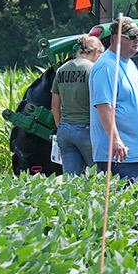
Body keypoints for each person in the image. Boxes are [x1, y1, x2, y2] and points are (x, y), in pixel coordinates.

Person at [91, 18, 138, 182]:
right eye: (132, 37)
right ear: (115, 38)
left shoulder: (130, 64)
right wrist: (115, 141)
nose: (137, 41)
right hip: (121, 156)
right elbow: (104, 107)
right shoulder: (106, 67)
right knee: (128, 204)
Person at [51, 34, 103, 177]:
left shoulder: (61, 70)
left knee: (72, 182)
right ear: (95, 51)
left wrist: (60, 126)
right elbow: (101, 102)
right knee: (99, 178)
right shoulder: (93, 70)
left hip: (65, 131)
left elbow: (55, 104)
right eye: (101, 53)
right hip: (87, 130)